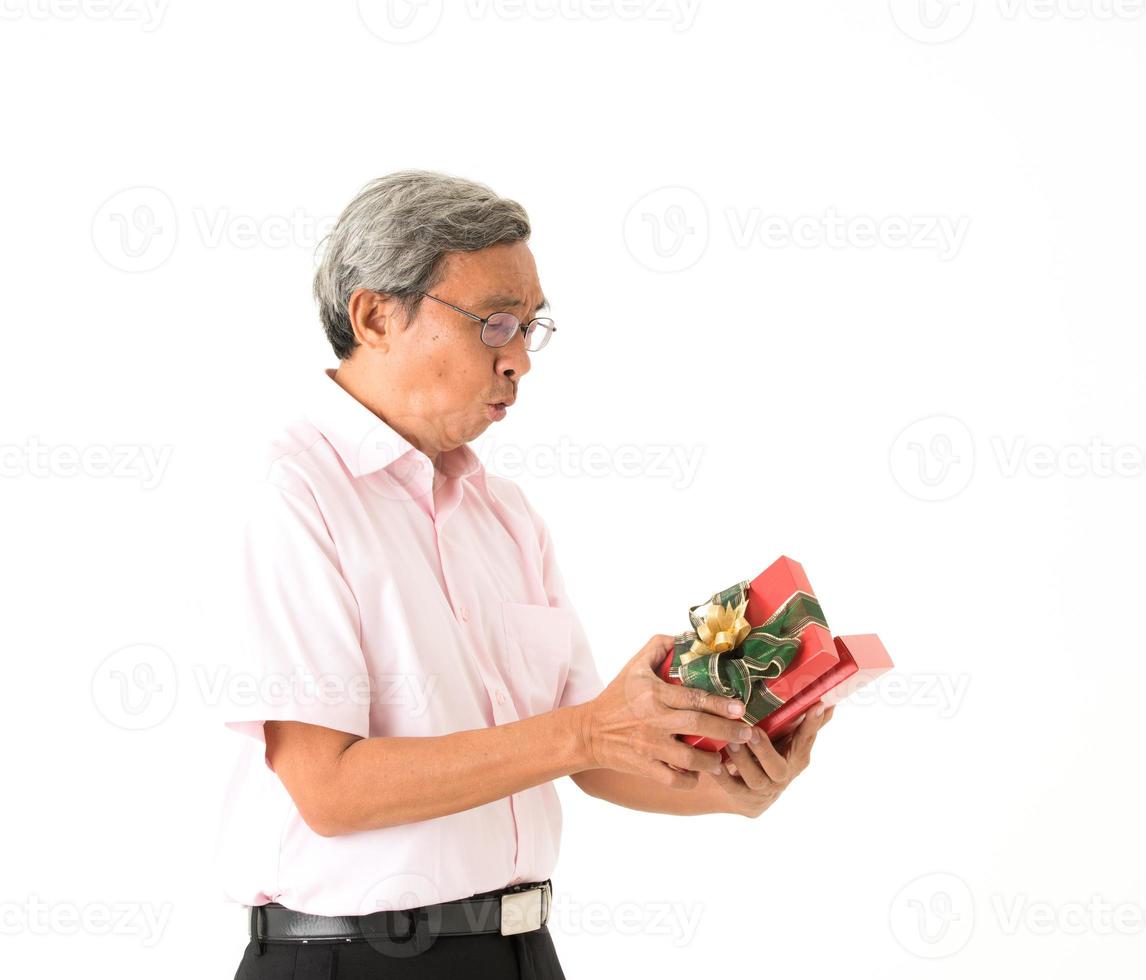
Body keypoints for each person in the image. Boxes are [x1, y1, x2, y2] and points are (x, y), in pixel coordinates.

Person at [217, 170, 835, 979]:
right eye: (493, 323)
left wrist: (730, 785)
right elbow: (328, 789)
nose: (519, 361)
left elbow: (589, 754)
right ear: (374, 315)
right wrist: (586, 730)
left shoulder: (501, 513)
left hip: (520, 954)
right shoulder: (291, 494)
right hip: (350, 960)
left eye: (530, 327)